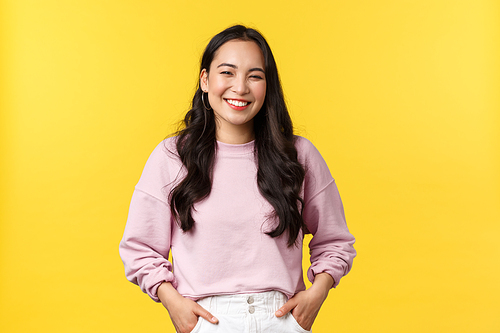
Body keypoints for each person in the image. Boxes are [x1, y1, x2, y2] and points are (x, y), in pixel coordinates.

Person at [119, 25, 356, 333]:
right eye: (227, 73)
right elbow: (139, 247)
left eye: (254, 76)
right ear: (205, 80)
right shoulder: (172, 157)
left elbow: (335, 241)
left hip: (281, 319)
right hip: (207, 320)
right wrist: (171, 301)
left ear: (268, 86)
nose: (240, 87)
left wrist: (317, 293)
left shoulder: (298, 155)